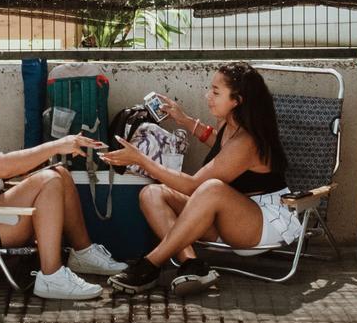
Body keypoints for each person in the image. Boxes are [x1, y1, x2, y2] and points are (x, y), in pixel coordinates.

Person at [0, 58, 127, 301]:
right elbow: (3, 167)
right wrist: (57, 145)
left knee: (59, 173)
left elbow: (2, 169)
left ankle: (83, 253)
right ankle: (51, 276)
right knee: (49, 180)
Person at [101, 62, 302, 297]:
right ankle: (193, 266)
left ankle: (149, 265)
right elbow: (220, 145)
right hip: (232, 216)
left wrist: (142, 160)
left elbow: (193, 187)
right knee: (152, 193)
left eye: (216, 92)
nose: (208, 96)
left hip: (263, 223)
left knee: (211, 188)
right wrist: (183, 119)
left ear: (237, 101)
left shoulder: (247, 142)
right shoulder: (230, 124)